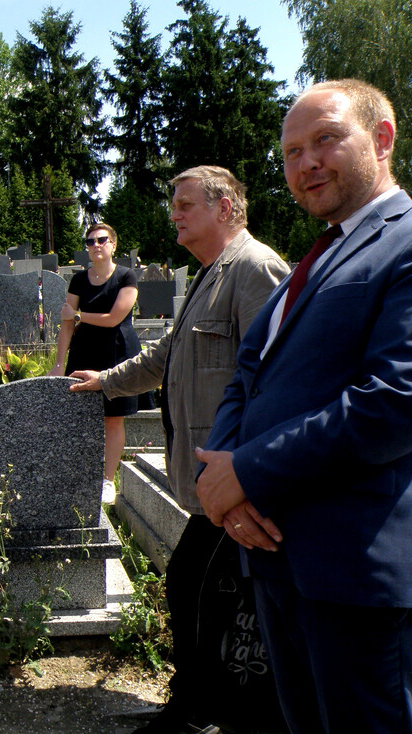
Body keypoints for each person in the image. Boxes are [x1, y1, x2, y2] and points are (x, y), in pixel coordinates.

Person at [197, 80, 412, 733]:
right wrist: (223, 480)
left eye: (326, 140)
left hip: (354, 573)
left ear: (381, 139)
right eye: (292, 152)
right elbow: (248, 376)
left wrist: (247, 472)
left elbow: (395, 399)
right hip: (277, 560)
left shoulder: (403, 241)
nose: (306, 163)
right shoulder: (313, 259)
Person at [70, 166, 289, 734]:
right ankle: (198, 708)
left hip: (234, 483)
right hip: (209, 485)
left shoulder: (254, 268)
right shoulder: (211, 273)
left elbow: (277, 382)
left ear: (224, 208)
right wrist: (104, 381)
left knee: (195, 589)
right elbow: (164, 355)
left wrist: (250, 477)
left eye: (185, 204)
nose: (174, 214)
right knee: (196, 591)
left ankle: (197, 714)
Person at [50, 223, 141, 499]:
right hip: (84, 351)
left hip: (117, 351)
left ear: (113, 244)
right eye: (90, 241)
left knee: (113, 418)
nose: (96, 245)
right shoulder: (78, 280)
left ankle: (108, 480)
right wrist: (59, 363)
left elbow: (114, 318)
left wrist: (78, 315)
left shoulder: (126, 276)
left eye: (102, 240)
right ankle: (81, 476)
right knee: (80, 416)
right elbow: (66, 324)